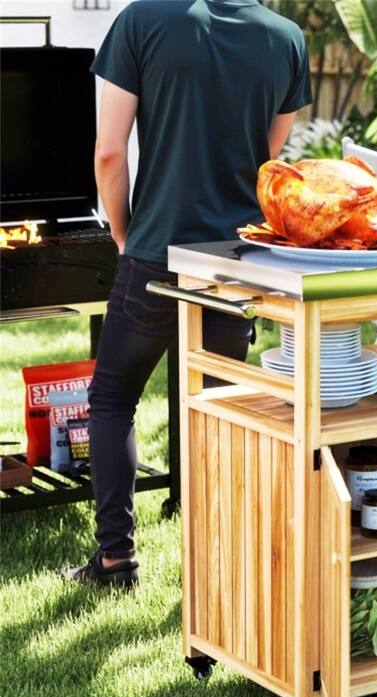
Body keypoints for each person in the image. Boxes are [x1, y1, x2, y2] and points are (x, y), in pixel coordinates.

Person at [63, 0, 312, 588]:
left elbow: (108, 153)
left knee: (113, 398)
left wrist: (124, 235)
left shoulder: (141, 21)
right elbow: (268, 161)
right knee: (219, 412)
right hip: (235, 262)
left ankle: (116, 559)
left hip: (157, 252)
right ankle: (220, 561)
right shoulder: (286, 37)